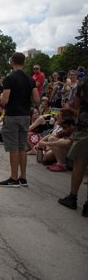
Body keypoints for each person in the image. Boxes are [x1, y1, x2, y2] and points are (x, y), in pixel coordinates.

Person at [0, 52, 40, 187]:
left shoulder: (9, 78)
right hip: (25, 115)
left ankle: (14, 178)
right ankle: (23, 177)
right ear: (24, 62)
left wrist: (0, 98)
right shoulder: (30, 79)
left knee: (13, 148)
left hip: (12, 115)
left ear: (12, 62)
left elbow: (5, 100)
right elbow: (37, 99)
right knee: (22, 146)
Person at [58, 73, 88, 217]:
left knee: (80, 163)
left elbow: (76, 105)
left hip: (85, 127)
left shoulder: (84, 84)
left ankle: (73, 197)